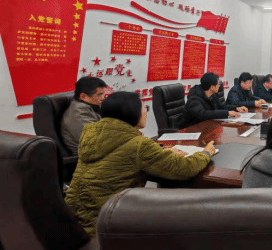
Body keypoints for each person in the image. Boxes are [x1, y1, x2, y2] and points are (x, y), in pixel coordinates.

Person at [65, 91, 217, 237]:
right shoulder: (139, 145)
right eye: (145, 108)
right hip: (104, 223)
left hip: (73, 217)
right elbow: (183, 168)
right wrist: (205, 153)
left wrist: (159, 150)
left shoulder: (91, 133)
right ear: (132, 113)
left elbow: (120, 153)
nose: (146, 112)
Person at [178, 72, 247, 129]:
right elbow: (202, 114)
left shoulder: (213, 95)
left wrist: (236, 108)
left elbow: (221, 106)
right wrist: (227, 113)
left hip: (206, 126)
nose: (219, 85)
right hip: (189, 130)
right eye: (218, 84)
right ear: (212, 87)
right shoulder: (194, 99)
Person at [61, 76, 107, 155]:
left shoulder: (90, 106)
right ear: (83, 96)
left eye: (103, 94)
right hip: (87, 156)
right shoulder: (79, 112)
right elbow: (95, 140)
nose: (103, 98)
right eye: (99, 95)